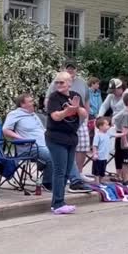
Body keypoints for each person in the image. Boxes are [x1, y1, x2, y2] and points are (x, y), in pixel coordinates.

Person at [45, 71, 88, 215]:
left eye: (62, 82)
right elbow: (56, 117)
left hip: (71, 137)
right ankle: (57, 203)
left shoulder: (75, 95)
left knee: (67, 171)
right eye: (57, 82)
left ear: (69, 83)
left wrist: (76, 108)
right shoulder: (54, 97)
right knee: (60, 171)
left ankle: (60, 201)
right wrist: (67, 111)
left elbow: (84, 113)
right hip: (56, 137)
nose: (59, 85)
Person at [45, 62, 93, 185]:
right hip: (60, 128)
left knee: (83, 147)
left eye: (73, 68)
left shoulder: (82, 83)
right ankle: (72, 180)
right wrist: (63, 111)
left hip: (78, 123)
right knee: (60, 169)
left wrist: (83, 113)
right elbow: (51, 106)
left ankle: (79, 173)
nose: (71, 70)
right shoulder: (56, 86)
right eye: (68, 68)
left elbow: (86, 102)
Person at [2, 93, 53, 191]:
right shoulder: (14, 114)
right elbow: (5, 130)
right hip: (29, 147)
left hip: (44, 145)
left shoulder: (33, 115)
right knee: (51, 155)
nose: (33, 103)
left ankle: (74, 180)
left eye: (32, 101)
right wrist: (20, 138)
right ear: (22, 104)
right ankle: (48, 183)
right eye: (30, 101)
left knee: (64, 151)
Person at [97, 78, 128, 180]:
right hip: (117, 125)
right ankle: (119, 174)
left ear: (121, 88)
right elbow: (104, 106)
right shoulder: (111, 95)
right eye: (112, 90)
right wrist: (100, 116)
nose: (113, 93)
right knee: (118, 150)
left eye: (115, 90)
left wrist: (114, 118)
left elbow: (127, 110)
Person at [91, 117, 123, 184]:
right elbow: (94, 145)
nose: (109, 126)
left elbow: (116, 135)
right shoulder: (98, 135)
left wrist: (123, 134)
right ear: (100, 126)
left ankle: (101, 180)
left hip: (105, 157)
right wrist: (94, 153)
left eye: (108, 125)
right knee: (97, 170)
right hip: (98, 157)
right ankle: (97, 181)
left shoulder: (108, 134)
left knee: (103, 169)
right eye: (107, 125)